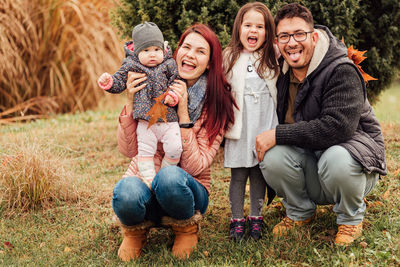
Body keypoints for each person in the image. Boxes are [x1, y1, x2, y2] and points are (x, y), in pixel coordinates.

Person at [256, 3, 387, 246]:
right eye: (284, 36)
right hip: (313, 164)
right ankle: (299, 213)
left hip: (353, 165)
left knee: (335, 157)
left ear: (313, 37)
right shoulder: (283, 74)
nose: (292, 42)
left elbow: (338, 127)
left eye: (299, 34)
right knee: (272, 155)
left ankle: (350, 219)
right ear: (277, 42)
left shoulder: (341, 70)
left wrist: (279, 133)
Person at [112, 24, 236, 261]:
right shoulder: (149, 87)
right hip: (146, 183)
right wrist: (130, 102)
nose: (190, 55)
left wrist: (183, 113)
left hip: (187, 192)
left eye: (200, 51)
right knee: (124, 191)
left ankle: (186, 228)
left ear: (210, 62)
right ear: (175, 52)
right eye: (186, 47)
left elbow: (196, 166)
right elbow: (128, 150)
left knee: (169, 178)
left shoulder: (216, 104)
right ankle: (135, 231)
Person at [98, 22, 181, 187]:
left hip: (168, 119)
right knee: (145, 151)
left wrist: (173, 95)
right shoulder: (131, 65)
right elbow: (120, 80)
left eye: (156, 50)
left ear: (162, 49)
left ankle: (165, 172)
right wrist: (109, 81)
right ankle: (148, 178)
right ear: (136, 51)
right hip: (145, 122)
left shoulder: (169, 64)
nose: (152, 55)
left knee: (175, 147)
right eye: (146, 50)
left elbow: (177, 81)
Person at [222, 2, 278, 242]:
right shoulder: (229, 56)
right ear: (239, 28)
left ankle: (256, 217)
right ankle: (237, 219)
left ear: (268, 32)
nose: (253, 31)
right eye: (248, 25)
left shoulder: (272, 55)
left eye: (260, 26)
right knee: (238, 175)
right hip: (239, 128)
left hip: (264, 125)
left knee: (258, 174)